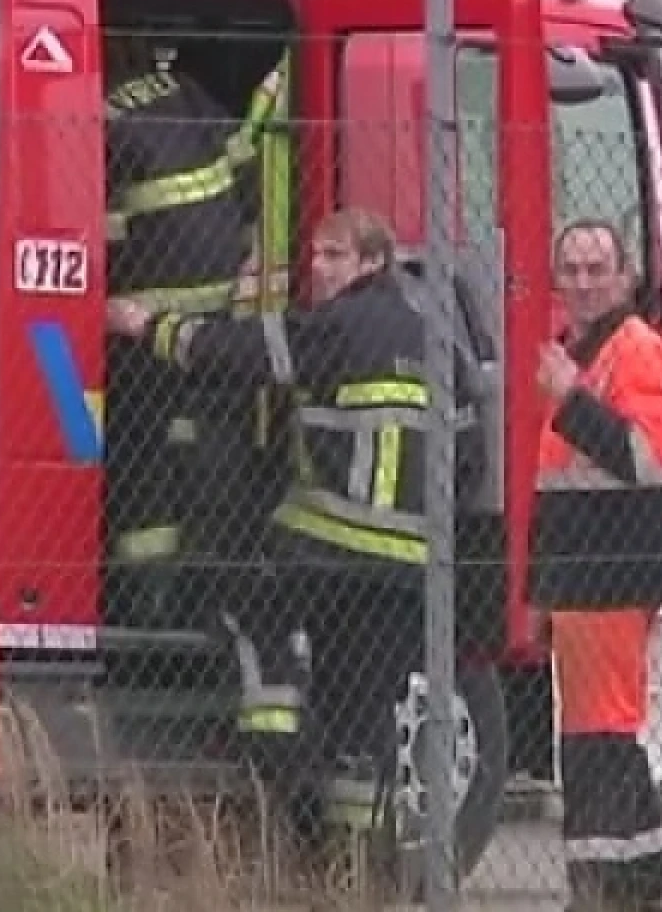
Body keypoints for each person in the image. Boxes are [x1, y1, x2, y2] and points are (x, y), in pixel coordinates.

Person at [107, 207, 471, 870]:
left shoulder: (340, 326)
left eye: (334, 256)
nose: (318, 268)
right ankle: (354, 870)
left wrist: (148, 325)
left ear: (372, 264)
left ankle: (287, 766)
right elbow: (470, 456)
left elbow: (240, 354)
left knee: (239, 603)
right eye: (316, 254)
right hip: (408, 570)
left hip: (328, 553)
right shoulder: (441, 342)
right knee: (365, 726)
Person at [530, 219, 662, 912]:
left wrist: (570, 398)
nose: (585, 281)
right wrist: (541, 589)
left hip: (612, 574)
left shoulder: (633, 351)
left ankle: (603, 890)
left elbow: (646, 462)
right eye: (571, 268)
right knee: (598, 740)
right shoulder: (588, 350)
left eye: (598, 267)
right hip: (583, 577)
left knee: (598, 743)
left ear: (627, 277)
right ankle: (642, 886)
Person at [101, 26, 255, 623]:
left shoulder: (106, 115)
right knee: (200, 455)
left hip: (142, 325)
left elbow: (103, 234)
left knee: (139, 459)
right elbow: (242, 181)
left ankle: (143, 609)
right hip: (217, 323)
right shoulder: (190, 93)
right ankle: (199, 602)